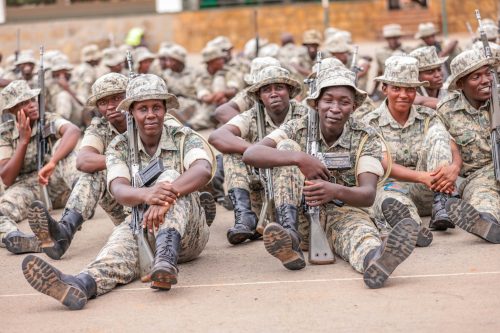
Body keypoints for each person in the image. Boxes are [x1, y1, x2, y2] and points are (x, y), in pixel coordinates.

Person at [22, 74, 215, 310]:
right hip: (142, 220)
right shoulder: (119, 145)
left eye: (156, 107)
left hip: (188, 235)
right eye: (143, 108)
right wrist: (146, 196)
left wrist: (164, 196)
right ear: (132, 112)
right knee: (116, 249)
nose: (151, 114)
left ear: (165, 109)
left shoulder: (183, 136)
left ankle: (165, 260)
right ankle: (79, 285)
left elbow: (203, 169)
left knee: (170, 177)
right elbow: (118, 188)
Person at [243, 65, 419, 289]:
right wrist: (299, 158)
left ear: (353, 107)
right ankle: (290, 238)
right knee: (285, 148)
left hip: (342, 211)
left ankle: (377, 260)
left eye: (344, 102)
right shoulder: (298, 127)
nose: (335, 108)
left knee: (361, 236)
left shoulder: (366, 137)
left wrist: (333, 191)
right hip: (298, 218)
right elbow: (251, 154)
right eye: (328, 101)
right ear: (316, 103)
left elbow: (367, 194)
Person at [28, 73, 130, 260]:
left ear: (130, 97)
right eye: (103, 102)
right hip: (126, 208)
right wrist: (125, 160)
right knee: (93, 173)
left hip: (158, 206)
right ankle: (64, 232)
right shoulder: (100, 127)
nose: (110, 106)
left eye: (117, 98)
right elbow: (83, 162)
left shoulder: (149, 119)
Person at [365, 55, 462, 239]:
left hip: (430, 190)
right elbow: (382, 162)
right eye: (396, 88)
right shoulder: (371, 122)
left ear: (416, 91)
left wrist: (455, 168)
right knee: (389, 199)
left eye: (409, 89)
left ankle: (442, 205)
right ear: (384, 89)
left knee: (438, 132)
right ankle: (412, 228)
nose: (403, 95)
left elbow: (451, 145)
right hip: (394, 188)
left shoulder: (428, 116)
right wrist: (421, 176)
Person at [208, 65, 307, 245]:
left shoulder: (305, 114)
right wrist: (255, 151)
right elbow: (217, 136)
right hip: (261, 196)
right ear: (259, 97)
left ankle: (288, 229)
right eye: (267, 90)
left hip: (296, 198)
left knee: (287, 147)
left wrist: (267, 154)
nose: (273, 93)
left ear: (290, 91)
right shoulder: (253, 115)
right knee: (231, 154)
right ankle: (245, 218)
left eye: (279, 88)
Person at [0, 80, 80, 254]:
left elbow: (73, 131)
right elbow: (6, 177)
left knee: (66, 152)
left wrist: (52, 162)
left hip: (56, 183)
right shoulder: (5, 133)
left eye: (32, 99)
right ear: (13, 111)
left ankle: (77, 207)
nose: (31, 105)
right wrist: (23, 140)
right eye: (23, 103)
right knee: (2, 211)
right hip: (26, 188)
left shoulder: (47, 120)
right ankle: (19, 238)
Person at [437, 49, 500, 243]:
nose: (486, 80)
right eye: (476, 77)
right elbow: (444, 145)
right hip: (475, 177)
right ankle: (486, 223)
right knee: (483, 196)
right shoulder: (447, 110)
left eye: (488, 73)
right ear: (460, 84)